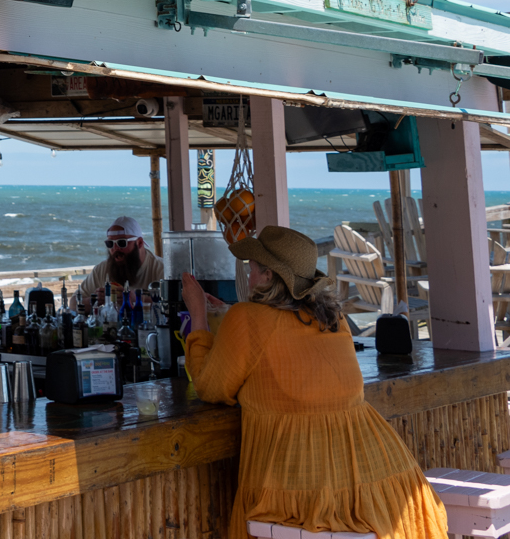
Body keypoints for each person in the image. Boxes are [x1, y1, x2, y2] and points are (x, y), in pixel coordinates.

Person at [182, 225, 447, 539]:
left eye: (252, 269)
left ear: (267, 276)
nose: (249, 277)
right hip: (378, 477)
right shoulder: (334, 318)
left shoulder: (246, 318)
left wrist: (198, 314)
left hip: (296, 486)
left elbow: (210, 387)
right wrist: (229, 315)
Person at [78, 216, 164, 297]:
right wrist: (96, 300)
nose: (115, 248)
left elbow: (173, 305)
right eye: (110, 243)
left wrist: (137, 300)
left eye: (122, 242)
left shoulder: (162, 269)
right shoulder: (102, 270)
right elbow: (74, 302)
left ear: (139, 243)